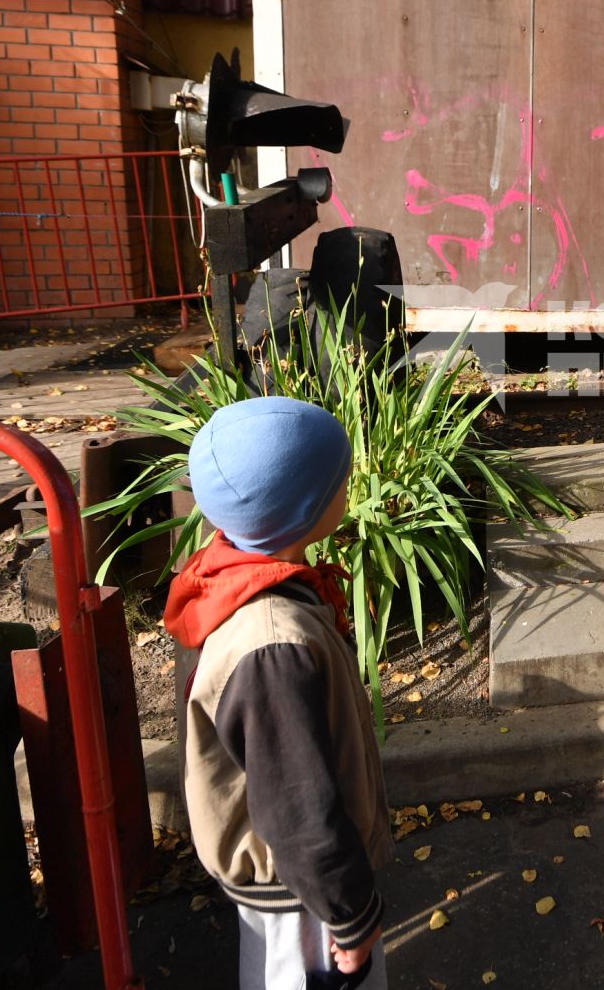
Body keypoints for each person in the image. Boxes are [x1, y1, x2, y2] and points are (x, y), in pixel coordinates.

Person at [165, 396, 391, 990]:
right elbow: (297, 805)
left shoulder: (243, 583)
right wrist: (352, 916)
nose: (349, 484)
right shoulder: (271, 644)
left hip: (297, 884)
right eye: (339, 479)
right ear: (306, 508)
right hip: (303, 902)